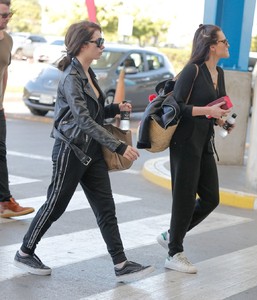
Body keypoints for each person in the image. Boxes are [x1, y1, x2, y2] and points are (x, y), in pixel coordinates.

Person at [13, 20, 154, 282]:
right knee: (56, 205)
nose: (103, 46)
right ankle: (25, 251)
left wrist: (115, 109)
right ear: (82, 45)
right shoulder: (71, 77)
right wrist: (119, 145)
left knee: (105, 207)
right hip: (72, 151)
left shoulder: (90, 73)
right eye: (98, 41)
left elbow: (95, 113)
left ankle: (121, 263)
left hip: (92, 152)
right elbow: (83, 120)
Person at [156, 24, 234, 274]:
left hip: (204, 141)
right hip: (185, 140)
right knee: (185, 198)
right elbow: (175, 106)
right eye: (224, 41)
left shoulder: (218, 72)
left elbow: (217, 103)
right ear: (212, 46)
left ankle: (171, 234)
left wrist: (220, 119)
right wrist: (206, 112)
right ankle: (173, 252)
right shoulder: (192, 70)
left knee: (211, 198)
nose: (227, 45)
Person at [0, 0, 34, 218]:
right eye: (3, 14)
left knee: (0, 153)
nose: (6, 18)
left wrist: (2, 101)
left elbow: (4, 72)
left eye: (8, 14)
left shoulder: (9, 41)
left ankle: (5, 201)